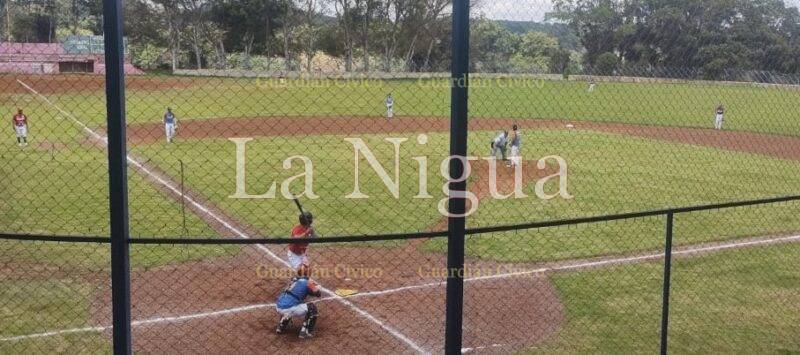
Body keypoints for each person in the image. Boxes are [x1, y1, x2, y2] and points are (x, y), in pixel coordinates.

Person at [275, 264, 321, 339]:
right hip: (289, 308)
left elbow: (299, 289)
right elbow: (318, 294)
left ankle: (281, 326)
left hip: (278, 306)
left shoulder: (294, 279)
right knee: (312, 308)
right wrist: (316, 287)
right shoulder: (307, 283)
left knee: (295, 301)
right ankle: (305, 332)